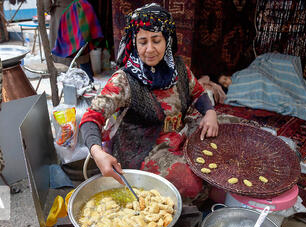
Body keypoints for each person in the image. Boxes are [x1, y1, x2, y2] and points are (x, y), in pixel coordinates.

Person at [79, 3, 218, 199]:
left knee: (219, 150)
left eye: (156, 40)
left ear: (167, 40)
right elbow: (90, 119)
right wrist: (97, 152)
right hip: (142, 151)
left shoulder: (178, 68)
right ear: (134, 42)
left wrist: (210, 113)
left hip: (178, 137)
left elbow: (199, 94)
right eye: (142, 41)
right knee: (189, 183)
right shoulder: (124, 80)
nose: (150, 49)